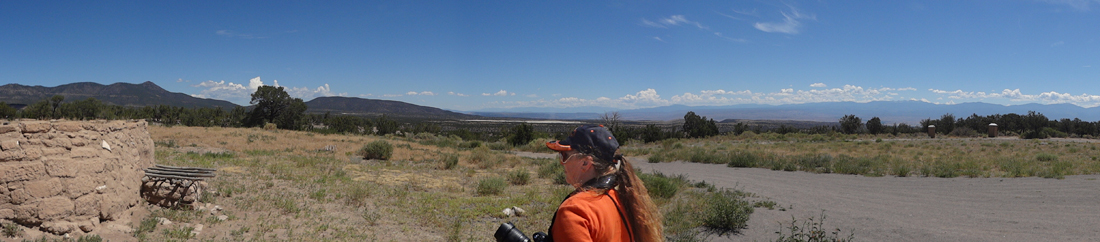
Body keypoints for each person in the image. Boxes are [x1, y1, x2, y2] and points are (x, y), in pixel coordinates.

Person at [544, 125, 663, 242]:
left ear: (585, 163)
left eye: (564, 156)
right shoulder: (623, 199)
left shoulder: (575, 210)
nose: (562, 163)